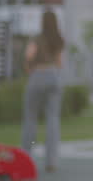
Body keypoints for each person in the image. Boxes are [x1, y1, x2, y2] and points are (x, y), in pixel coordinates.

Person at [21, 9, 65, 173]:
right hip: (54, 76)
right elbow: (60, 63)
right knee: (53, 119)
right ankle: (51, 162)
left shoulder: (37, 38)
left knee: (30, 118)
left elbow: (29, 55)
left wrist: (28, 67)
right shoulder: (58, 40)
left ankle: (26, 158)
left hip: (38, 76)